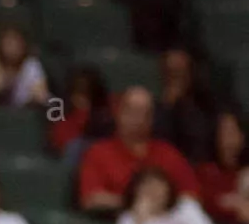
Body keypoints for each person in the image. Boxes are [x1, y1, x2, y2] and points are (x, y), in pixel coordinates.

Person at [78, 86, 200, 215]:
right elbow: (91, 199)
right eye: (132, 111)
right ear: (118, 113)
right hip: (116, 221)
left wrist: (161, 206)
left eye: (145, 113)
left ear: (152, 119)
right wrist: (135, 203)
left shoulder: (168, 154)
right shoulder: (98, 153)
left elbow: (192, 196)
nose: (138, 118)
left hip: (164, 223)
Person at [154, 49, 215, 165]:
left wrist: (183, 105)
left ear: (190, 75)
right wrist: (168, 106)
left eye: (180, 73)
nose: (176, 80)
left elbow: (201, 146)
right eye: (171, 73)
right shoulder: (154, 110)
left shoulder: (206, 107)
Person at [196, 111, 249, 224]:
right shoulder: (205, 171)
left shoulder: (245, 172)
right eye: (222, 132)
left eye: (232, 132)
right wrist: (235, 205)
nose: (227, 139)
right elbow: (202, 202)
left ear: (242, 136)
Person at [49, 66, 115, 166]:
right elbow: (60, 144)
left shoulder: (110, 110)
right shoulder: (63, 120)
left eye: (87, 93)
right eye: (78, 92)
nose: (82, 98)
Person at [0, 25, 48, 107]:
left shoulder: (31, 65)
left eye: (16, 43)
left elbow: (41, 96)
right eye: (8, 43)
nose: (12, 48)